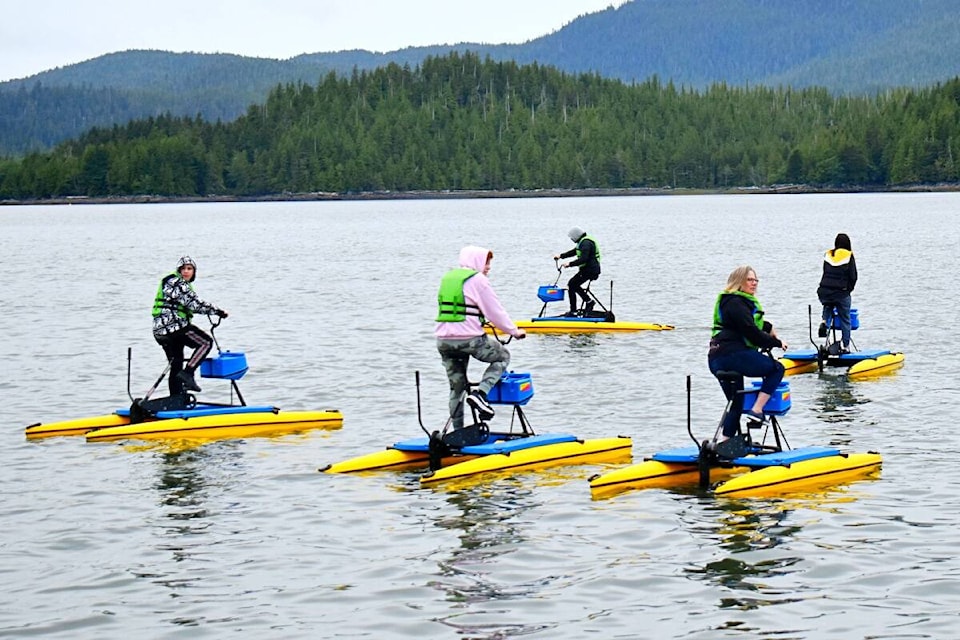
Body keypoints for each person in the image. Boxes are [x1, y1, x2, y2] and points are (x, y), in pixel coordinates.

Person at [435, 246, 526, 429]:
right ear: (476, 261)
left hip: (444, 342)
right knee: (503, 356)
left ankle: (457, 434)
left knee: (457, 389)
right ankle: (481, 395)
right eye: (486, 262)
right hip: (470, 340)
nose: (488, 267)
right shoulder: (478, 280)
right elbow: (495, 312)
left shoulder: (448, 278)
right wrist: (514, 331)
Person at [707, 266, 787, 439]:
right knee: (777, 369)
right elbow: (751, 332)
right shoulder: (736, 302)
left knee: (735, 402)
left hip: (715, 358)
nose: (754, 283)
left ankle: (724, 444)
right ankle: (757, 410)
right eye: (750, 280)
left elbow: (747, 324)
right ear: (739, 282)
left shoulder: (729, 302)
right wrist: (776, 342)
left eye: (756, 280)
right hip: (732, 355)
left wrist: (769, 326)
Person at [152, 256, 228, 395]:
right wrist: (217, 311)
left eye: (189, 269)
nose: (186, 272)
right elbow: (194, 304)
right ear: (178, 271)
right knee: (205, 343)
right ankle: (188, 374)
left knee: (176, 363)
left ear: (194, 272)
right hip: (174, 326)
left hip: (161, 331)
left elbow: (190, 305)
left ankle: (175, 398)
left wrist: (213, 311)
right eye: (183, 269)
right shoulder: (176, 282)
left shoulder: (175, 283)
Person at [817, 233, 858, 353]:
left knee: (828, 308)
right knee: (845, 319)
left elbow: (826, 273)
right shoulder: (849, 255)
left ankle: (825, 324)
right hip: (841, 292)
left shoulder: (828, 255)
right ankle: (845, 345)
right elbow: (853, 276)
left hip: (824, 291)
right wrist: (848, 290)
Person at [553, 227, 601, 317]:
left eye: (572, 238)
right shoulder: (583, 242)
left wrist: (569, 264)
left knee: (571, 284)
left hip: (590, 270)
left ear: (576, 236)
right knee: (574, 285)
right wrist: (561, 256)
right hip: (588, 270)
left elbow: (584, 259)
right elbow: (575, 251)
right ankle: (589, 301)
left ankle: (574, 311)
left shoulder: (586, 243)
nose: (571, 239)